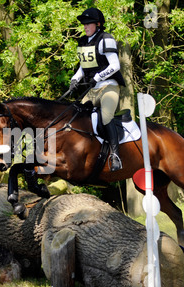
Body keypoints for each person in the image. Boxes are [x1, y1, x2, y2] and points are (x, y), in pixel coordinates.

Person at [69, 8, 126, 171]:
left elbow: (115, 65)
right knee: (77, 116)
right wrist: (75, 79)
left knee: (106, 117)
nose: (85, 27)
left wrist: (98, 77)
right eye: (84, 24)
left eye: (88, 24)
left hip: (109, 87)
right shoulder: (82, 42)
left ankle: (115, 155)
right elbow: (83, 66)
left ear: (98, 24)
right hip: (92, 90)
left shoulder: (105, 39)